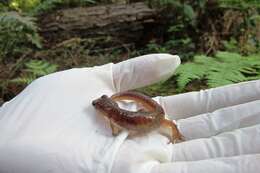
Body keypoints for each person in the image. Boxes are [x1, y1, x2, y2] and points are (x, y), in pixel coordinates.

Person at [0, 54, 259, 173]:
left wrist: (173, 132)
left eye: (100, 105)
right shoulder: (112, 114)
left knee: (166, 122)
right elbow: (116, 123)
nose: (97, 108)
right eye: (102, 104)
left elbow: (118, 126)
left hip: (153, 119)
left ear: (106, 109)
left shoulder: (114, 117)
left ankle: (177, 133)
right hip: (142, 115)